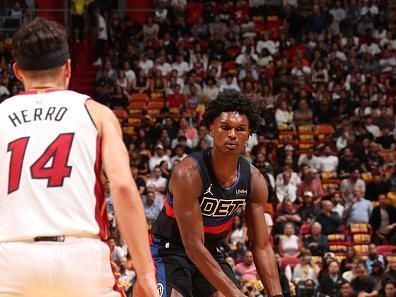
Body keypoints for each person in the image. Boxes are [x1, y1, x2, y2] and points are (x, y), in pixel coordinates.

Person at [0, 18, 158, 297]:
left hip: (10, 258)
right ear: (68, 68)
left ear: (17, 71)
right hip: (80, 256)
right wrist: (145, 274)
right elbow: (122, 187)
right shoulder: (97, 112)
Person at [150, 91, 283, 297]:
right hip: (170, 248)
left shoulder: (255, 180)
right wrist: (235, 293)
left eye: (240, 129)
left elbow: (262, 246)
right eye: (225, 127)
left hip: (210, 250)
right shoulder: (188, 173)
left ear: (248, 134)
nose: (232, 134)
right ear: (212, 128)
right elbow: (193, 245)